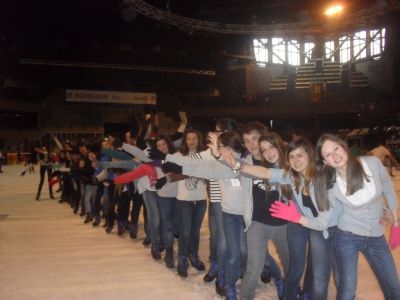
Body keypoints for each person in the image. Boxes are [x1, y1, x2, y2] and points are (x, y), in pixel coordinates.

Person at [225, 137, 340, 300]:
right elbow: (265, 172)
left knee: (320, 275)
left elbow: (323, 222)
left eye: (300, 155)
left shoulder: (325, 177)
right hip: (296, 224)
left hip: (323, 227)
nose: (296, 160)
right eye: (292, 157)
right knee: (295, 268)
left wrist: (296, 217)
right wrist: (237, 164)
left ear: (310, 154)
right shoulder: (292, 176)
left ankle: (306, 293)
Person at [311, 134, 400, 300]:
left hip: (376, 237)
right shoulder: (331, 184)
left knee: (394, 287)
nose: (335, 155)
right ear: (325, 162)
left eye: (336, 148)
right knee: (347, 290)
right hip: (347, 237)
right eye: (328, 154)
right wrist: (298, 218)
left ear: (343, 147)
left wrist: (396, 222)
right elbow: (324, 217)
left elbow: (388, 187)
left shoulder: (371, 164)